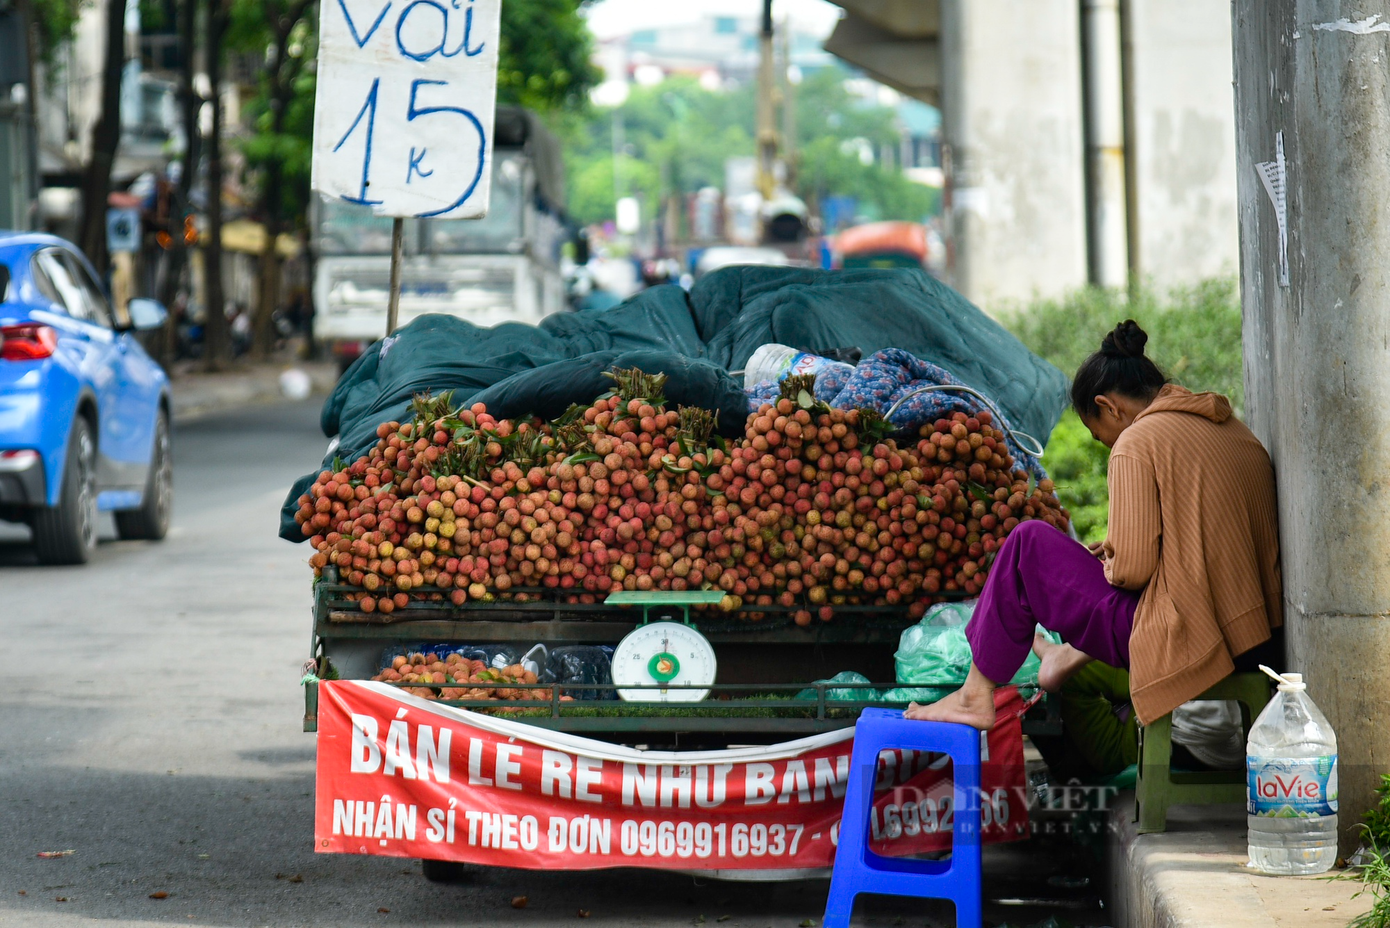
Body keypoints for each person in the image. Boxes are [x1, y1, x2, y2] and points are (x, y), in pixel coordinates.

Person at [906, 320, 1282, 730]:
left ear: (1109, 406)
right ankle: (1059, 657)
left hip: (1191, 632)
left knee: (1026, 545)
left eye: (1097, 433)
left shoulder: (1136, 442)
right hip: (1257, 631)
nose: (1105, 443)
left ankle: (975, 695)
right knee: (1072, 564)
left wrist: (1113, 560)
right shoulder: (1229, 427)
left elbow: (1133, 572)